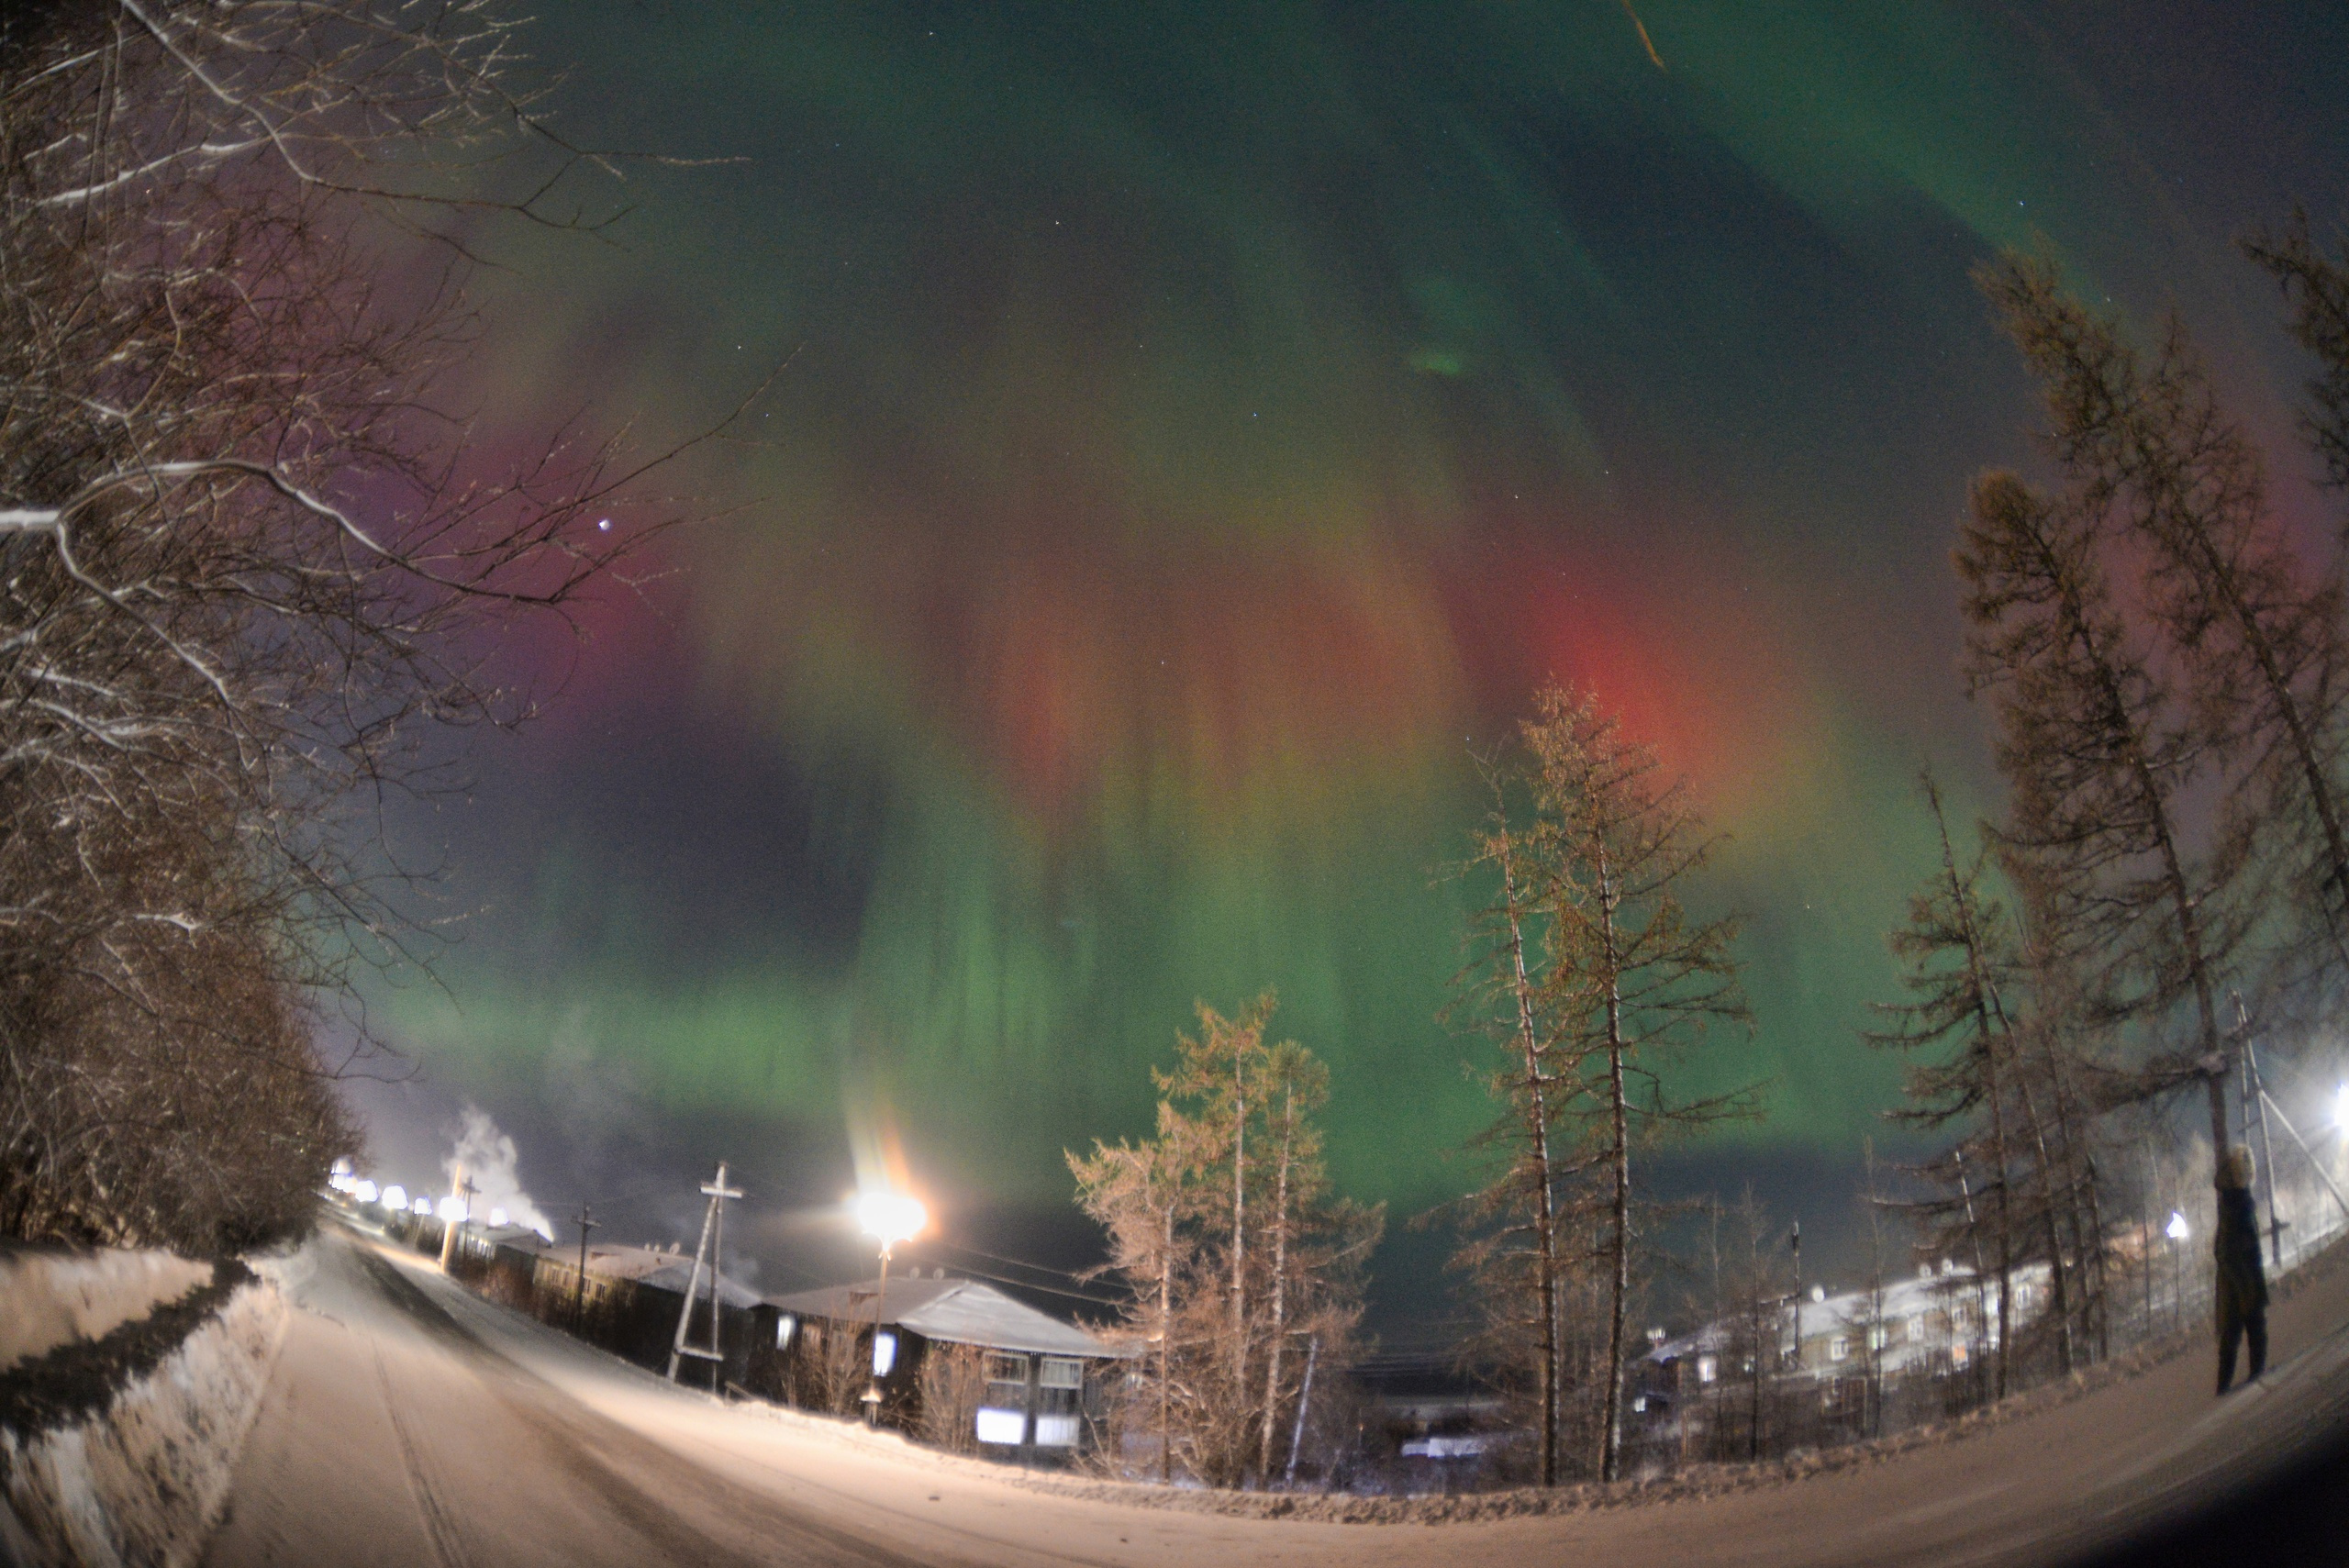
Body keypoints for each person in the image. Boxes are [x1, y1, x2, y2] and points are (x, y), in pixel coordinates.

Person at [2214, 1144, 2269, 1395]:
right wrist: (2244, 1283)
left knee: (2233, 1334)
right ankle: (2249, 1378)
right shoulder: (2235, 1204)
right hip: (2241, 1280)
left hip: (2237, 1279)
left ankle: (2227, 1386)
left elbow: (2225, 1249)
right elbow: (2226, 1251)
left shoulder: (2233, 1201)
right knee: (2246, 1328)